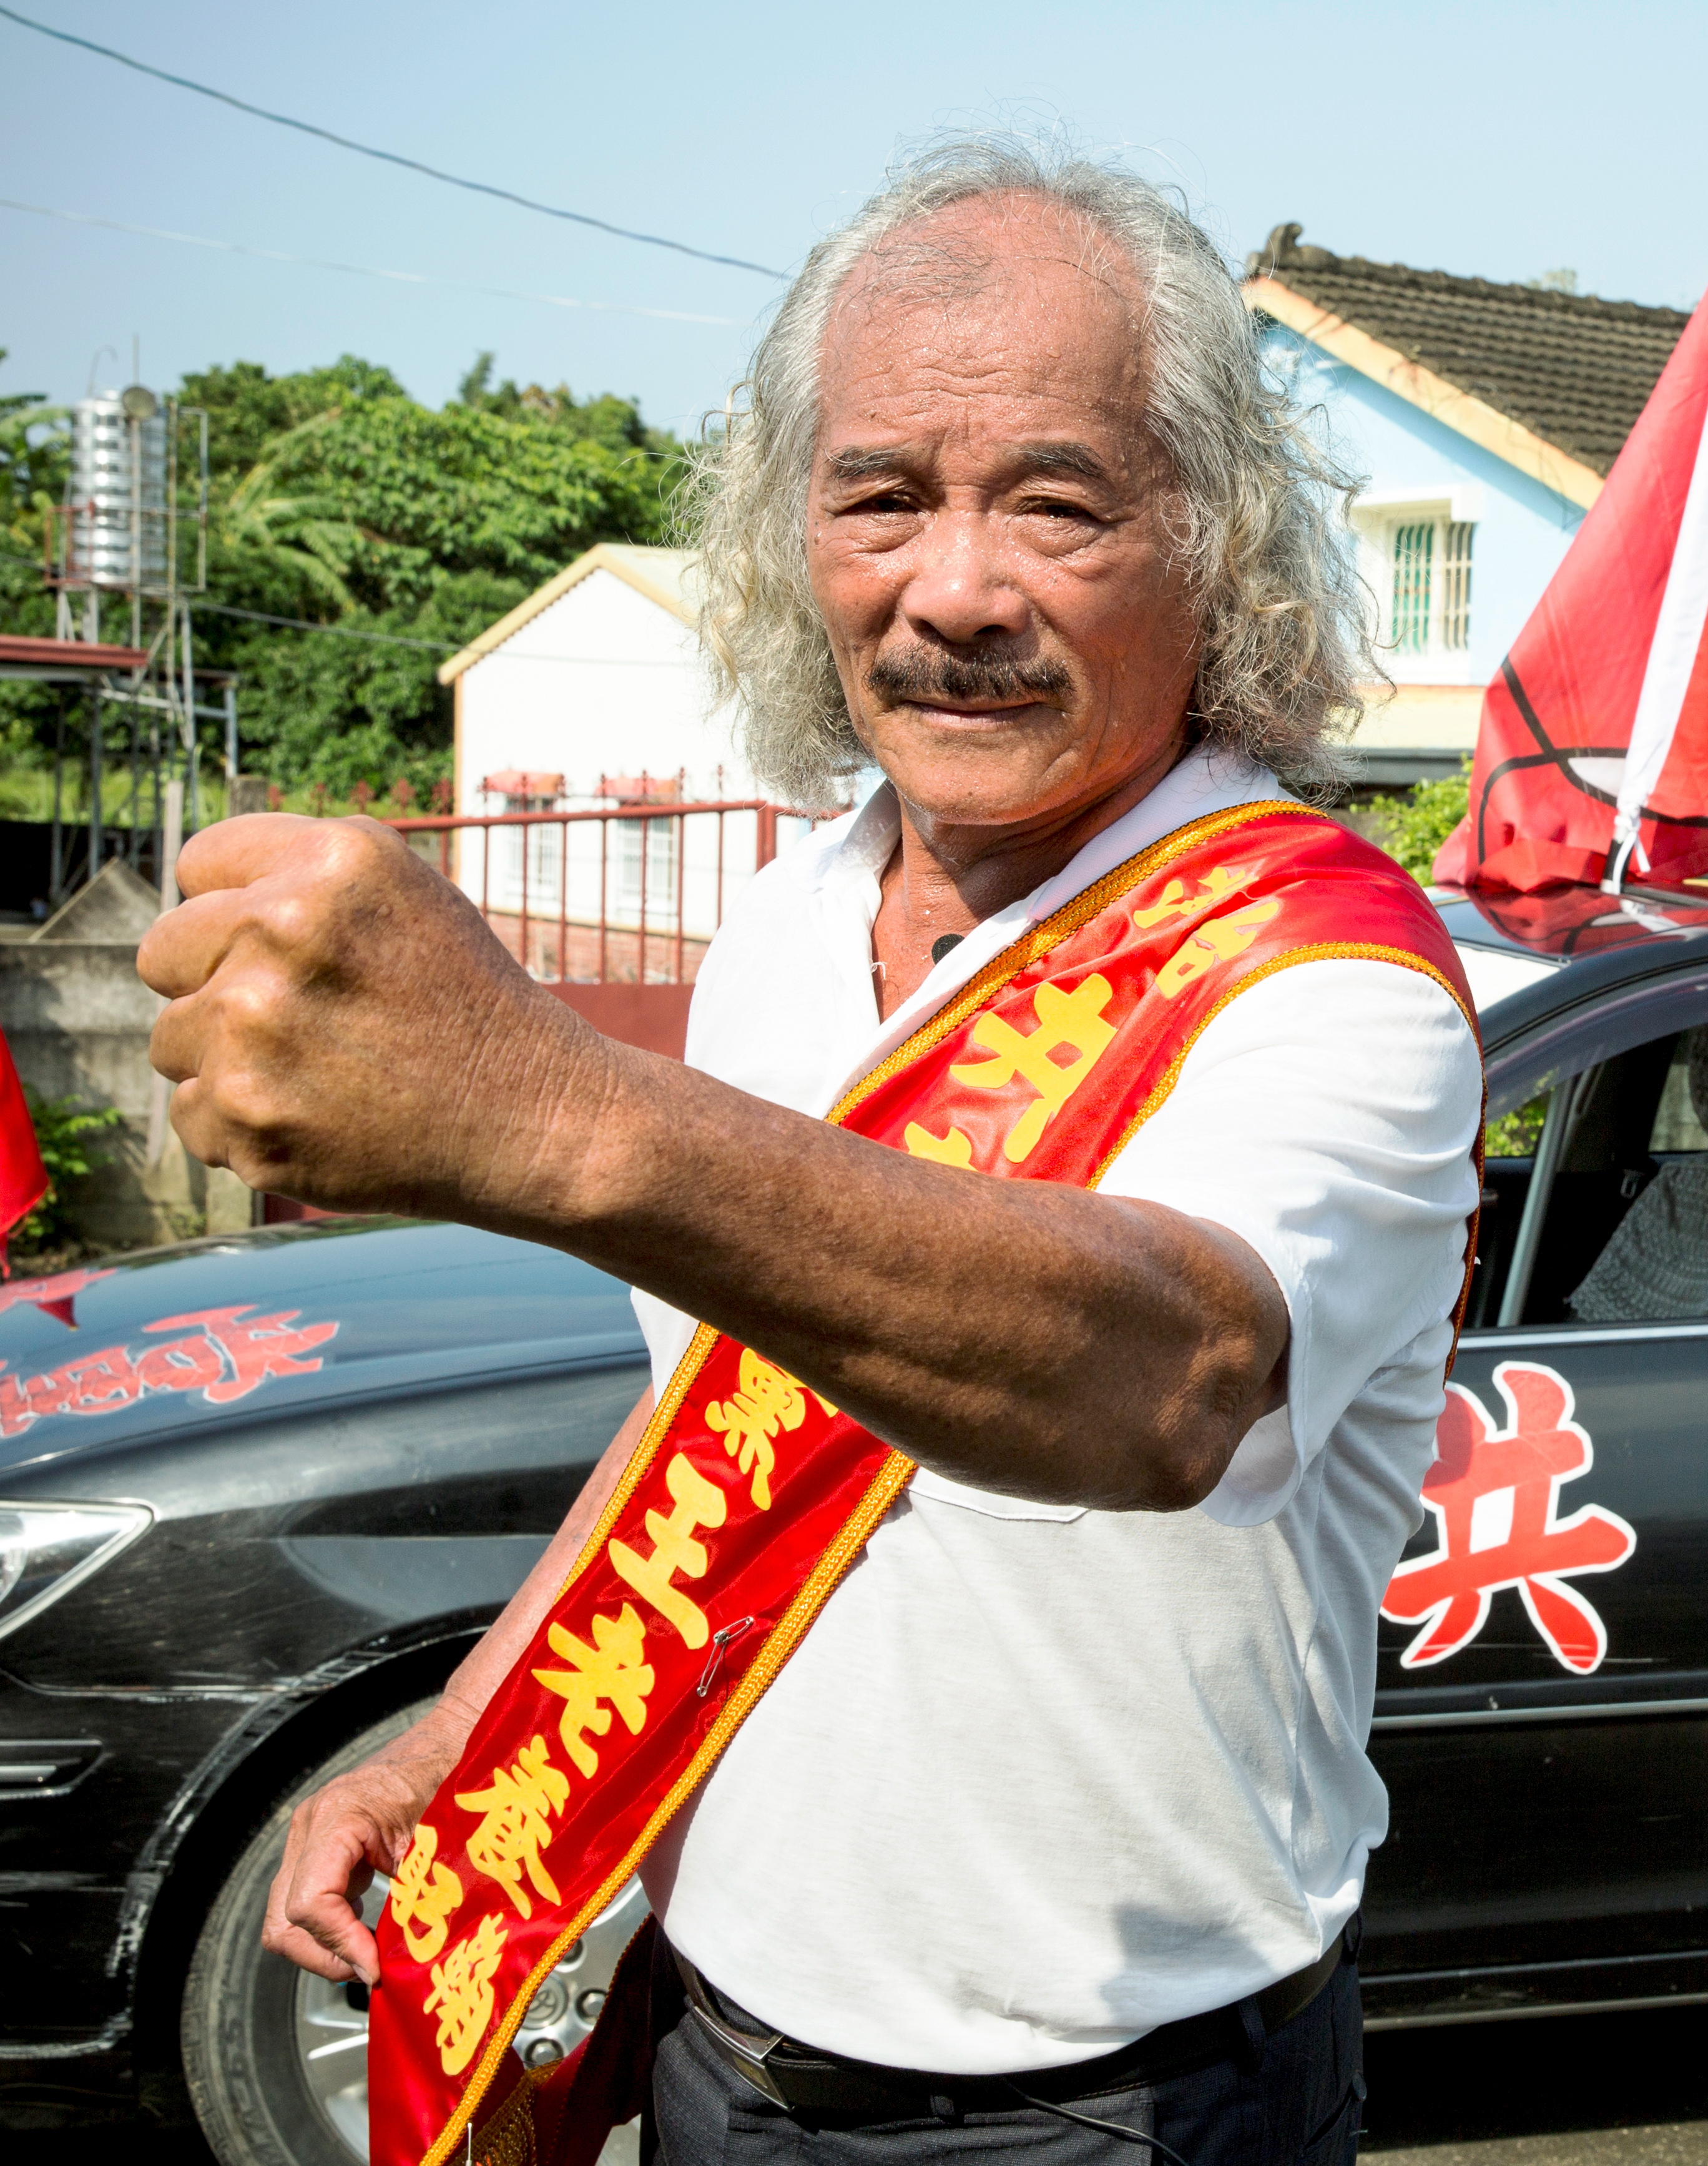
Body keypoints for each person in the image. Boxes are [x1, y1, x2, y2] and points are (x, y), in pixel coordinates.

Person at [140, 138, 1480, 2165]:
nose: (953, 591)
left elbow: (1158, 1379)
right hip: (715, 2056)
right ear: (788, 542)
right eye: (878, 498)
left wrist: (542, 1105)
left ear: (1213, 540)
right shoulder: (790, 911)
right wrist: (475, 1722)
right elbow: (725, 1406)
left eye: (1055, 502)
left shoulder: (1323, 979)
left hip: (1099, 2114)